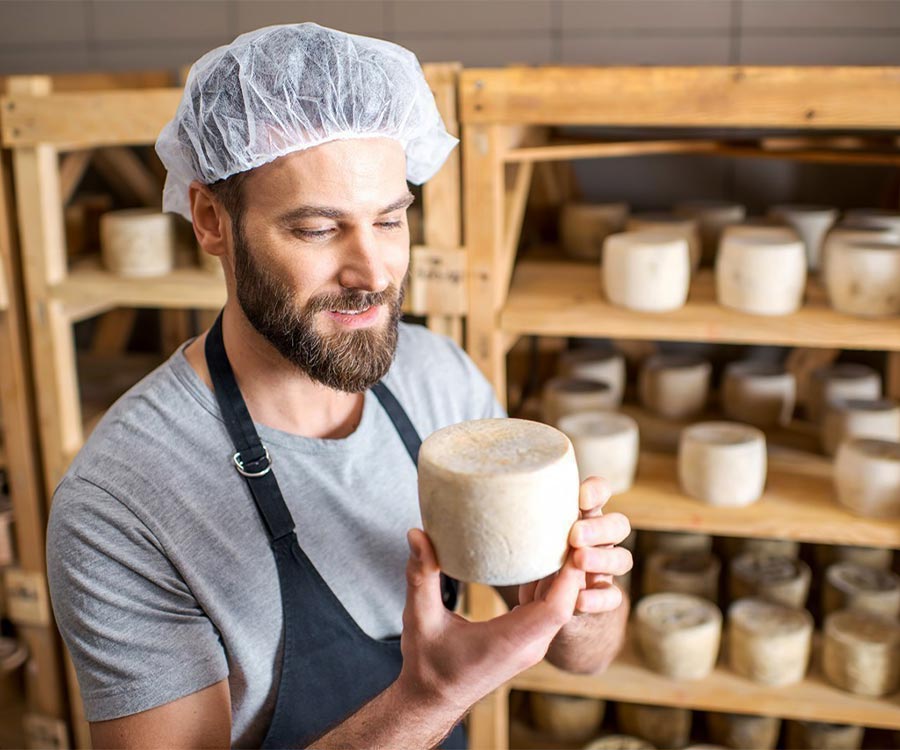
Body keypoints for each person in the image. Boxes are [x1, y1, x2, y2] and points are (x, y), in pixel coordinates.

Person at [46, 23, 631, 749]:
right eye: (320, 230)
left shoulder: (440, 382)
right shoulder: (123, 505)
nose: (374, 272)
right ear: (210, 221)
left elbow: (588, 658)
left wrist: (582, 600)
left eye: (389, 220)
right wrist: (429, 700)